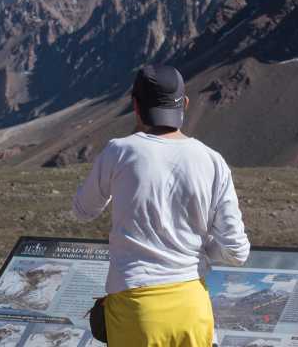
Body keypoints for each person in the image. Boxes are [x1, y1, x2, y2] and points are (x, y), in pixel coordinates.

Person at [72, 64, 251, 346]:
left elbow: (83, 211)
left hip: (135, 307)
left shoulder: (118, 151)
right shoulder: (213, 160)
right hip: (192, 306)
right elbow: (237, 252)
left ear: (135, 105)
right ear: (186, 104)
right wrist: (202, 249)